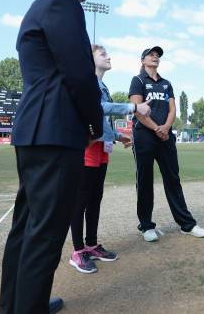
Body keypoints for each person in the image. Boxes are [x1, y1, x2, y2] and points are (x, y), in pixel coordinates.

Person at [0, 0, 103, 314]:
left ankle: (18, 306)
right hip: (56, 134)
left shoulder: (38, 7)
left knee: (26, 229)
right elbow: (80, 73)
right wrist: (96, 125)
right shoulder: (63, 4)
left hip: (35, 132)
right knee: (44, 235)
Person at [69, 44, 151, 273]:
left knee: (95, 198)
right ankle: (77, 251)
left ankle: (92, 244)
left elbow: (100, 119)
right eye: (103, 54)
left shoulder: (101, 85)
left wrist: (116, 136)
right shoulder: (87, 81)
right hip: (87, 146)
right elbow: (98, 107)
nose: (108, 57)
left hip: (100, 147)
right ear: (90, 59)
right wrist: (134, 107)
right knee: (81, 200)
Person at [129, 46, 204, 242]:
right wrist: (157, 128)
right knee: (145, 181)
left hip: (165, 136)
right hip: (145, 136)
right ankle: (146, 226)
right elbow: (137, 109)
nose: (155, 57)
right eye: (151, 55)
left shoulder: (166, 83)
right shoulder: (137, 80)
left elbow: (173, 109)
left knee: (173, 179)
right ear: (142, 60)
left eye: (157, 55)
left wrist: (165, 127)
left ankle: (186, 224)